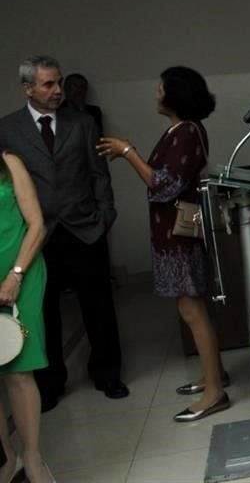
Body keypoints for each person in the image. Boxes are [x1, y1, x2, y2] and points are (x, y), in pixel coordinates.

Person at [96, 66, 230, 422]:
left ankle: (216, 392)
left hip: (179, 237)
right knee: (193, 309)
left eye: (161, 89)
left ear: (175, 95)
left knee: (192, 310)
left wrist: (128, 152)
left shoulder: (185, 132)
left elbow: (163, 185)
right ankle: (213, 374)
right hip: (174, 234)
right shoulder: (181, 130)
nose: (156, 94)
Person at [0, 56, 126, 411]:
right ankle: (50, 383)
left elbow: (99, 173)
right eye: (48, 85)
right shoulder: (7, 129)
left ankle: (108, 375)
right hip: (38, 235)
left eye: (58, 83)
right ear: (28, 88)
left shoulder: (82, 122)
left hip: (85, 229)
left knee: (99, 308)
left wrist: (104, 218)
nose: (57, 91)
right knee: (43, 313)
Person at [0, 151, 55, 483]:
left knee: (19, 370)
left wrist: (15, 275)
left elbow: (36, 223)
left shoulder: (9, 163)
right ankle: (7, 459)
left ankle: (32, 457)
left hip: (22, 275)